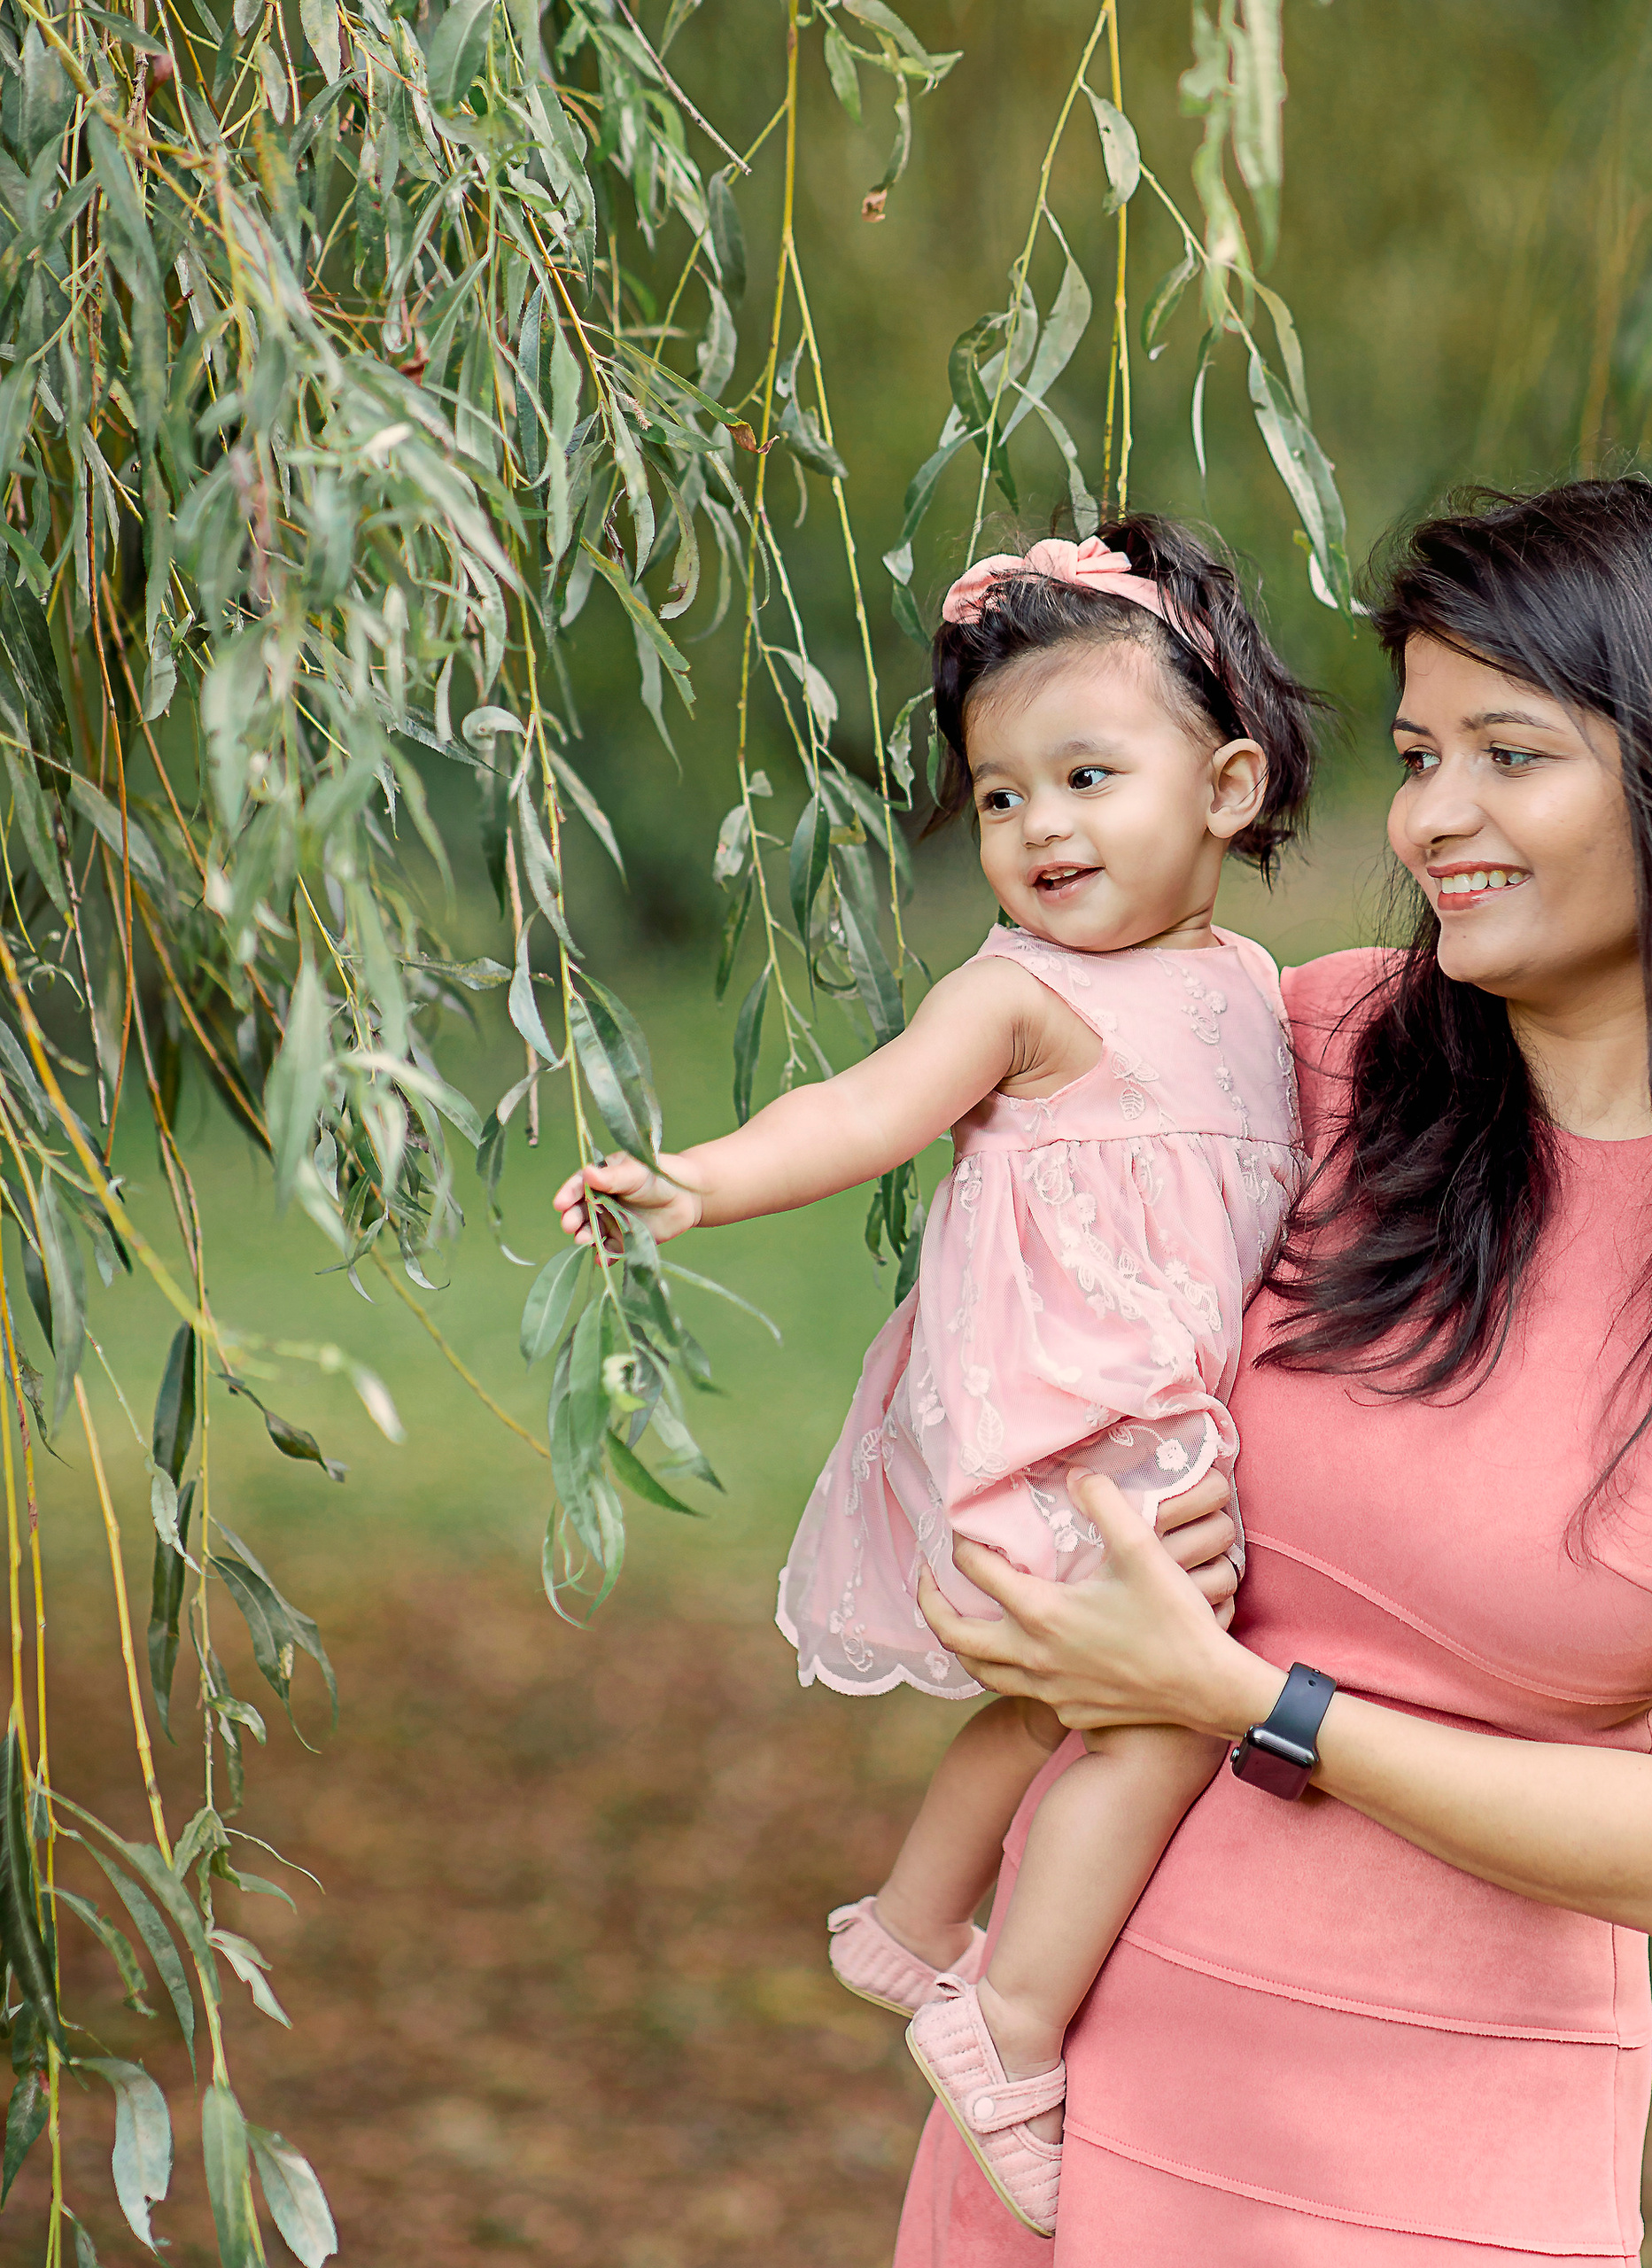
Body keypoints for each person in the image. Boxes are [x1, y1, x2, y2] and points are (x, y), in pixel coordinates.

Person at [903, 478, 1652, 2262]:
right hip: (1063, 2113)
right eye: (1421, 754)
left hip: (1429, 2173)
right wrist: (1008, 1570)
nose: (1434, 817)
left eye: (1508, 755)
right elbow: (1007, 1317)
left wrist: (1246, 1699)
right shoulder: (1310, 1053)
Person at [553, 519, 1319, 2239]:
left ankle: (908, 1923)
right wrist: (696, 1182)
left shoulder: (1250, 989)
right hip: (1066, 1423)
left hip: (1154, 1421)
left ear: (1226, 787)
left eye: (1087, 777)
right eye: (999, 795)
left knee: (1059, 1701)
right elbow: (860, 1109)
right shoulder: (1019, 998)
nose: (1039, 827)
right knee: (1162, 1708)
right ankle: (1005, 2019)